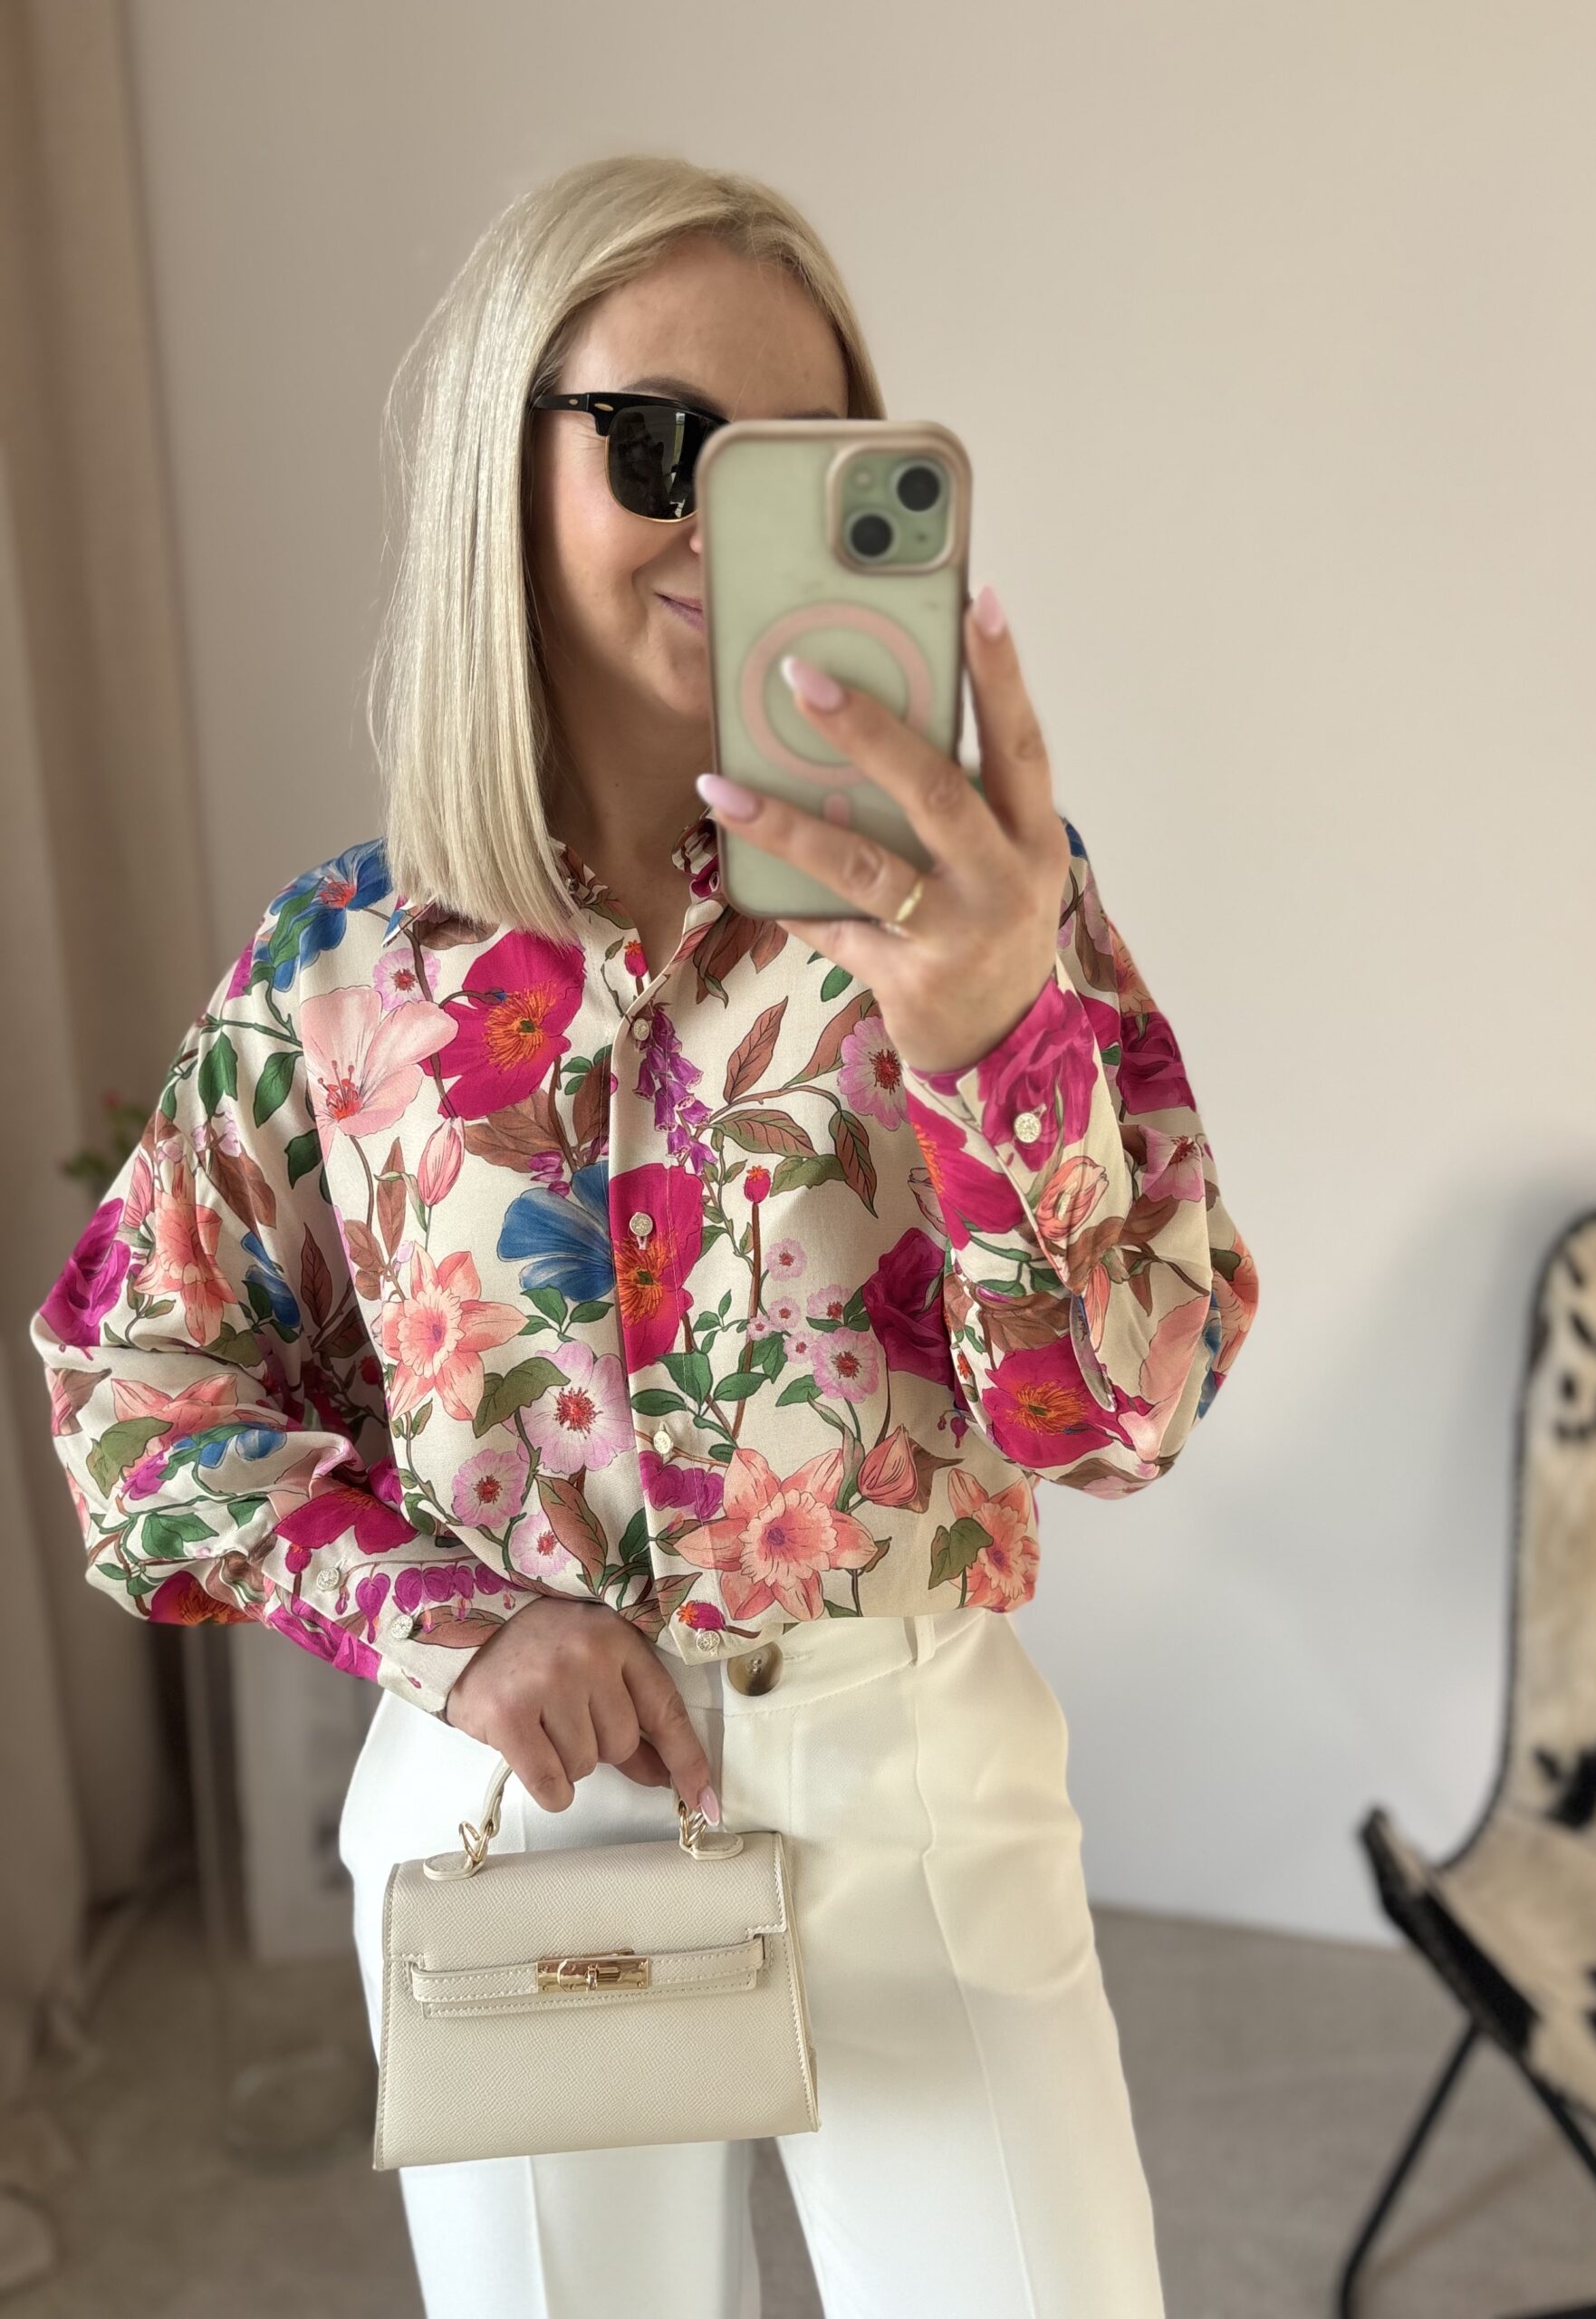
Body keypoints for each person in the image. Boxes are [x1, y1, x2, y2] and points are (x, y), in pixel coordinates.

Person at [31, 153, 1259, 2319]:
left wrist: (990, 1039)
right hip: (523, 1803)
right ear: (501, 468)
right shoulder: (346, 966)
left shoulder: (982, 900)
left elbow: (1125, 1417)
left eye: (800, 462)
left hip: (911, 1772)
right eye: (664, 445)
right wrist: (452, 1621)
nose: (724, 523)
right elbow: (130, 1385)